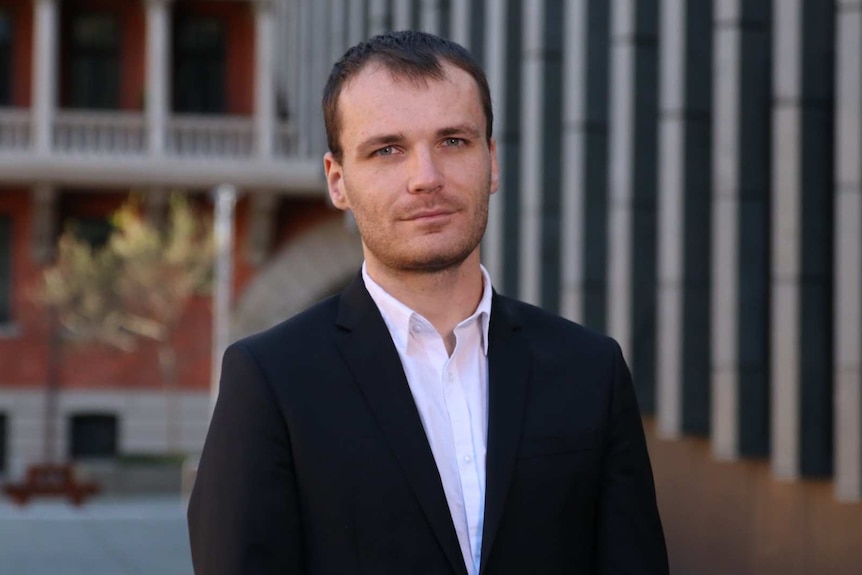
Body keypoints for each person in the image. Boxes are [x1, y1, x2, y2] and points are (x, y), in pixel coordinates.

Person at [187, 30, 668, 575]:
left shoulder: (591, 370)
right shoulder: (270, 380)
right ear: (338, 181)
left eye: (454, 142)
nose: (426, 178)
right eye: (387, 150)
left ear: (492, 162)